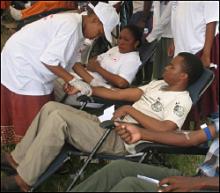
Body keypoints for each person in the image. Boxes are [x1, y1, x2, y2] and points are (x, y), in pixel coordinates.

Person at [1, 52, 204, 192]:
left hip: (123, 138)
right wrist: (85, 88)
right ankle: (18, 160)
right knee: (51, 108)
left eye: (172, 66)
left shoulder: (181, 100)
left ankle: (23, 181)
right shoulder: (159, 84)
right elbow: (122, 94)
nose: (166, 67)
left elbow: (166, 129)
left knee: (59, 119)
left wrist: (131, 110)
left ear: (183, 76)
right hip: (111, 125)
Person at [1, 2, 119, 145]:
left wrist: (92, 81)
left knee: (44, 102)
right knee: (33, 104)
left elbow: (74, 61)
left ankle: (31, 145)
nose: (96, 37)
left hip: (24, 55)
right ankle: (29, 145)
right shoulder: (71, 26)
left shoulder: (78, 26)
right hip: (22, 61)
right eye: (99, 32)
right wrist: (73, 81)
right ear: (94, 20)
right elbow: (49, 60)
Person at [72, 117, 219, 192]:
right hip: (199, 179)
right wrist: (142, 133)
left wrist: (196, 183)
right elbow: (192, 138)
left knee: (131, 186)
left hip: (205, 186)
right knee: (119, 168)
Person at [58, 24, 142, 106]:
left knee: (51, 80)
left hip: (93, 89)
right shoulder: (115, 49)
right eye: (120, 38)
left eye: (126, 40)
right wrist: (94, 68)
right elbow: (91, 62)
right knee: (63, 67)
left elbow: (121, 83)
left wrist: (97, 68)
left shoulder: (133, 59)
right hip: (83, 78)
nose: (121, 42)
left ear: (136, 43)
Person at [168, 1, 219, 129]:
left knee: (201, 97)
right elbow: (176, 17)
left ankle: (202, 135)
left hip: (200, 48)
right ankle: (186, 132)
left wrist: (206, 54)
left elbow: (211, 22)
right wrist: (175, 41)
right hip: (182, 48)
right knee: (184, 96)